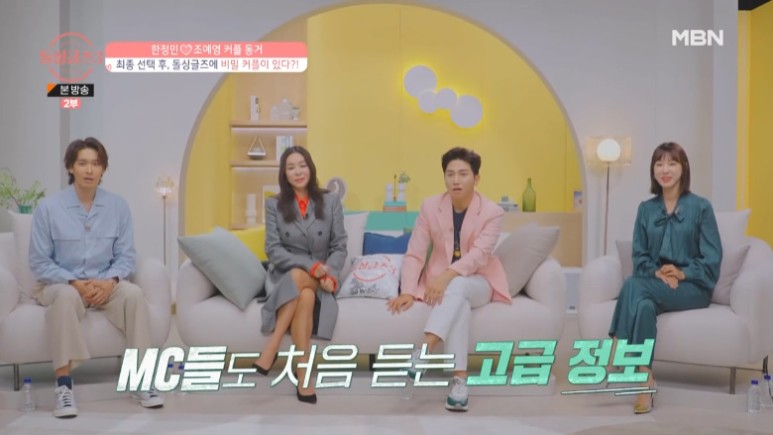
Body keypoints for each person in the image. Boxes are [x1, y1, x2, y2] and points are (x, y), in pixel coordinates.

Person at [28, 137, 163, 418]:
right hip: (61, 283)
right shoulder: (48, 208)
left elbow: (126, 256)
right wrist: (74, 282)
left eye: (96, 164)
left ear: (103, 169)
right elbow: (39, 262)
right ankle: (64, 387)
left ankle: (141, 379)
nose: (89, 170)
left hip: (104, 282)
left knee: (134, 294)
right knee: (66, 297)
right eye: (82, 163)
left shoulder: (118, 206)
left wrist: (111, 281)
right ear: (70, 167)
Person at [387, 147, 510, 412]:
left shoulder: (492, 212)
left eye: (463, 174)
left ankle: (424, 350)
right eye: (450, 174)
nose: (456, 180)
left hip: (480, 281)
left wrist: (446, 276)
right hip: (447, 286)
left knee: (459, 284)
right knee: (459, 305)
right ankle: (459, 385)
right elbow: (415, 252)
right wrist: (408, 290)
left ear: (476, 178)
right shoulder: (431, 206)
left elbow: (478, 255)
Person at [608, 142, 722, 414]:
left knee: (632, 285)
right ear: (653, 171)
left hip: (692, 288)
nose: (665, 170)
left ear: (684, 168)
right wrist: (657, 273)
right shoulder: (646, 209)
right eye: (659, 164)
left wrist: (682, 273)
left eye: (672, 163)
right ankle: (645, 381)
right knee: (643, 306)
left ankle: (616, 346)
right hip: (654, 284)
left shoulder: (701, 207)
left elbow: (712, 258)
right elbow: (639, 256)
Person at [252, 146, 347, 404]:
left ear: (310, 168)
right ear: (284, 173)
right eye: (291, 167)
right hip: (284, 275)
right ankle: (304, 373)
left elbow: (339, 246)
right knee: (304, 294)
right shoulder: (274, 204)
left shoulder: (330, 200)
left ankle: (272, 348)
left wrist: (330, 274)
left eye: (302, 165)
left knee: (305, 285)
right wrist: (310, 266)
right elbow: (273, 249)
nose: (298, 172)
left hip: (324, 276)